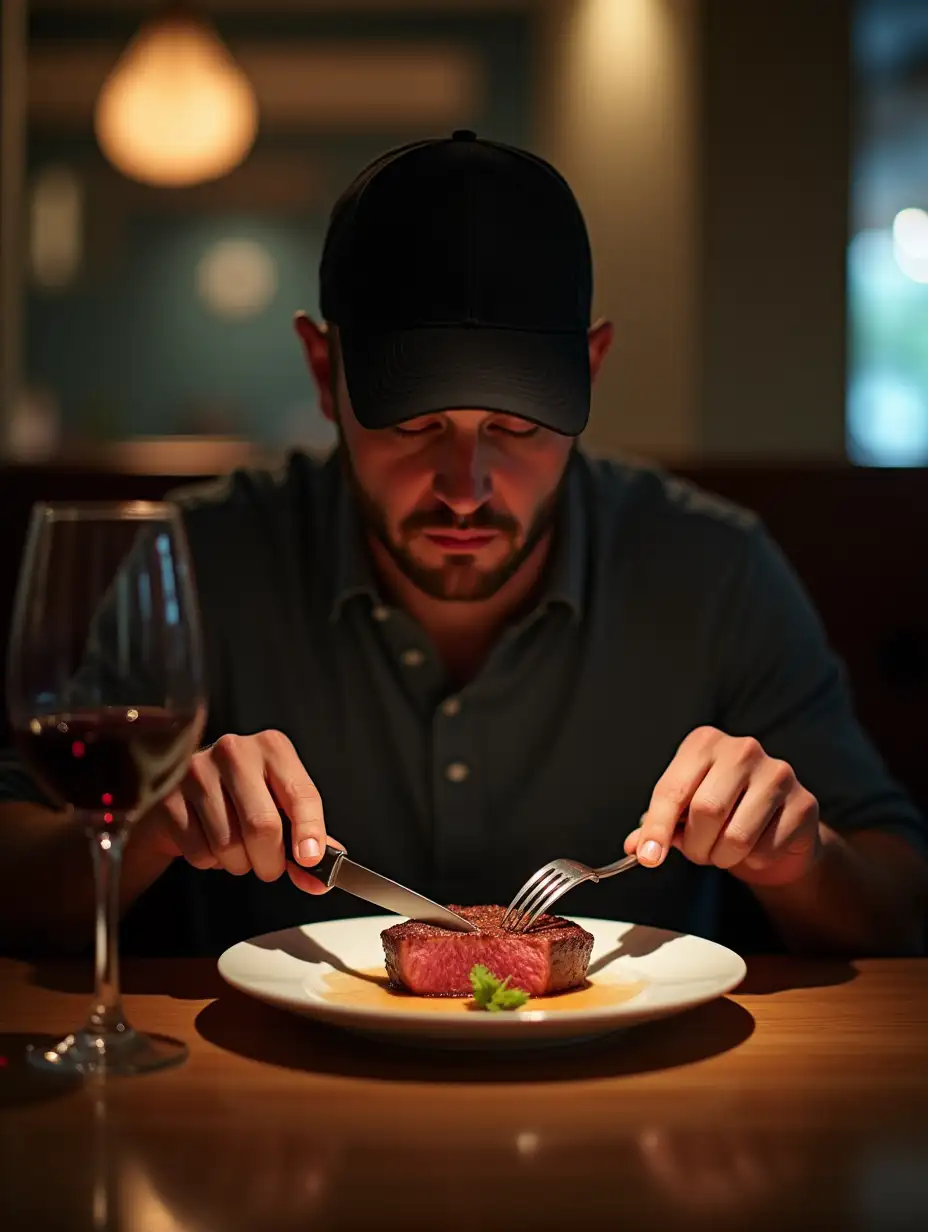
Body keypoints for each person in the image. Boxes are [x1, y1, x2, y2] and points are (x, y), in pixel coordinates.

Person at [1, 130, 926, 959]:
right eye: (415, 424)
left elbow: (900, 906)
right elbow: (12, 886)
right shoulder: (199, 561)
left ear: (592, 369)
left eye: (518, 428)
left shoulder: (712, 570)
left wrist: (802, 860)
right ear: (326, 374)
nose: (467, 485)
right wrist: (151, 825)